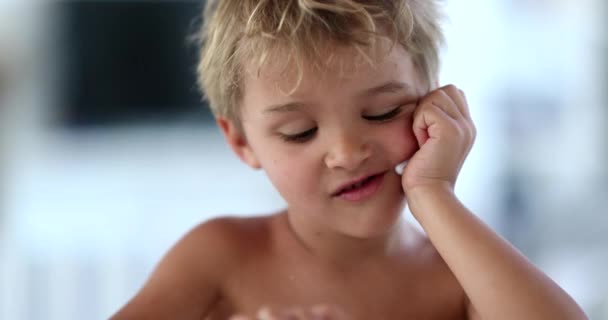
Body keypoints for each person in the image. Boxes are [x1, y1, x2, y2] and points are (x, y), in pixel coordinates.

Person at [111, 1, 588, 319]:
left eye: (383, 112)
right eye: (300, 133)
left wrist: (433, 192)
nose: (347, 153)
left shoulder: (459, 276)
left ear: (431, 102)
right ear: (241, 143)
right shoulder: (220, 257)